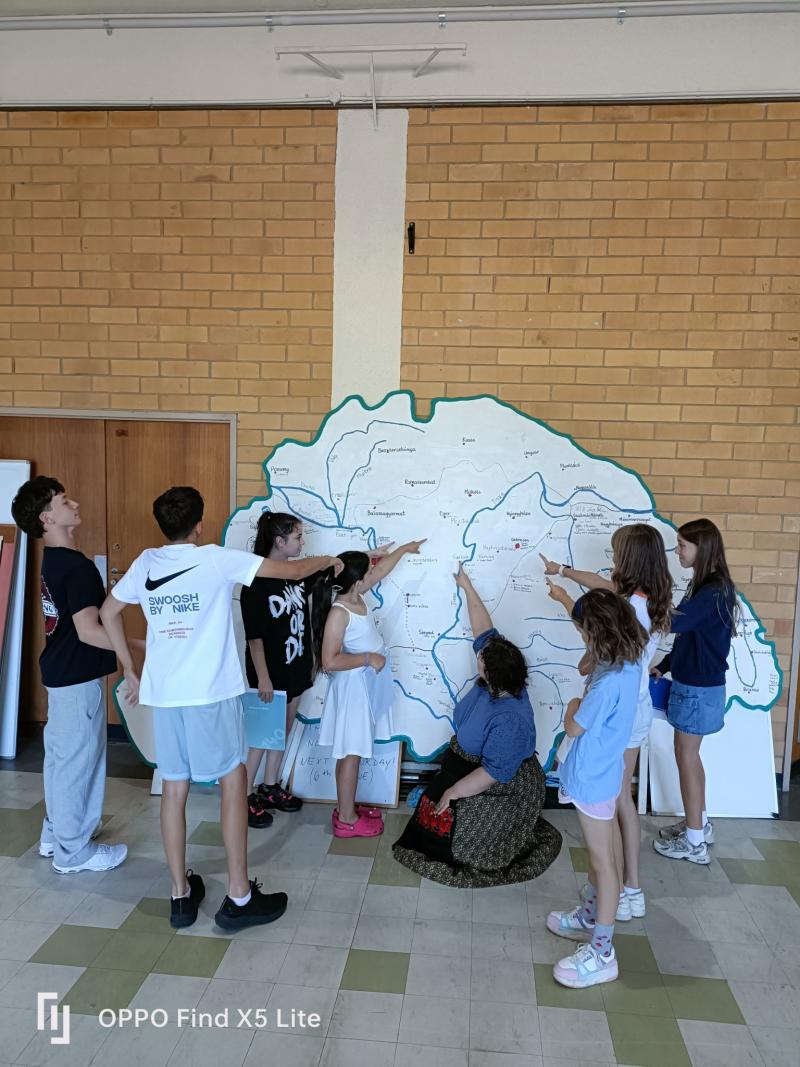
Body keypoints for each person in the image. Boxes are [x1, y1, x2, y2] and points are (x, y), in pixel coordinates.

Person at [100, 486, 343, 930]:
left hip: (165, 697)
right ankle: (239, 895)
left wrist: (130, 670)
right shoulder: (213, 558)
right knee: (234, 781)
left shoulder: (146, 563)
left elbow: (108, 611)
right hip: (210, 695)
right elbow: (292, 571)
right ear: (198, 524)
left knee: (174, 789)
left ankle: (180, 895)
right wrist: (329, 560)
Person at [392, 564, 562, 888]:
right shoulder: (498, 679)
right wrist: (467, 587)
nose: (478, 655)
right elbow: (483, 629)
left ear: (490, 673)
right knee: (425, 830)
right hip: (464, 768)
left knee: (457, 845)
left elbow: (493, 772)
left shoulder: (510, 719)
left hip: (496, 785)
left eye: (482, 658)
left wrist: (453, 793)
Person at [541, 523, 672, 920]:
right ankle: (621, 889)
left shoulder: (630, 611)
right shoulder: (642, 598)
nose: (612, 560)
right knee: (617, 801)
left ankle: (619, 889)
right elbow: (601, 585)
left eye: (617, 553)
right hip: (630, 708)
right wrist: (563, 572)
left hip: (623, 714)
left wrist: (566, 601)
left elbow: (597, 633)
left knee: (612, 804)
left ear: (629, 560)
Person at [10, 476, 128, 874]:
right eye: (64, 501)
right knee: (78, 765)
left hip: (61, 676)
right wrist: (135, 649)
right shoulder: (76, 567)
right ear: (47, 518)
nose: (74, 504)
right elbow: (89, 631)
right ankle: (73, 853)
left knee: (62, 762)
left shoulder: (55, 560)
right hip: (77, 680)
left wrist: (133, 644)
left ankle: (55, 835)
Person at [546, 589, 646, 989]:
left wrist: (573, 703)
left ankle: (603, 952)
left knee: (604, 864)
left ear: (599, 633)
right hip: (600, 772)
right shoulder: (627, 662)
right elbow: (588, 660)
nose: (583, 637)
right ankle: (590, 917)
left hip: (593, 778)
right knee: (598, 856)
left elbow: (574, 727)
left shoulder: (607, 685)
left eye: (586, 632)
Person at [314, 541, 425, 838]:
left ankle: (346, 808)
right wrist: (367, 658)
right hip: (352, 691)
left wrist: (404, 549)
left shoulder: (357, 595)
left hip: (362, 687)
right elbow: (329, 661)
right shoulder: (340, 612)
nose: (372, 575)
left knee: (353, 753)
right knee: (351, 754)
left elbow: (381, 570)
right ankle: (347, 819)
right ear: (356, 581)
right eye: (366, 572)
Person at [652, 518, 738, 865]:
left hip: (698, 690)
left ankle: (694, 843)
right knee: (690, 757)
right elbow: (690, 636)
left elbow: (674, 622)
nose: (678, 552)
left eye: (682, 546)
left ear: (702, 548)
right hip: (697, 686)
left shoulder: (713, 591)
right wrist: (665, 665)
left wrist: (645, 597)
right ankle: (699, 825)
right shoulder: (706, 587)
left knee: (686, 758)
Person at [239, 512, 323, 830]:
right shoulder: (256, 582)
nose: (302, 542)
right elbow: (254, 638)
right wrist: (263, 678)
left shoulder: (296, 575)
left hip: (295, 666)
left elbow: (332, 569)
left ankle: (270, 785)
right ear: (279, 541)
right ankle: (244, 797)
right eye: (297, 537)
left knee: (282, 730)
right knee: (263, 736)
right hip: (269, 672)